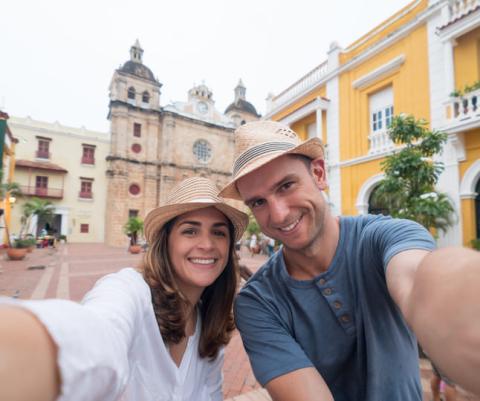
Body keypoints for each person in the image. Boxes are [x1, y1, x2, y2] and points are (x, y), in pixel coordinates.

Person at [219, 120, 480, 401]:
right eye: (258, 202)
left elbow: (418, 278)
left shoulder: (386, 237)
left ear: (319, 174)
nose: (279, 214)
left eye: (286, 185)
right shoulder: (257, 302)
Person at [0, 177, 248, 401]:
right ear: (165, 241)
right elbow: (100, 332)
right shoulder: (130, 291)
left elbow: (212, 392)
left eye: (218, 232)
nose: (207, 244)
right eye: (190, 231)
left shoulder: (211, 322)